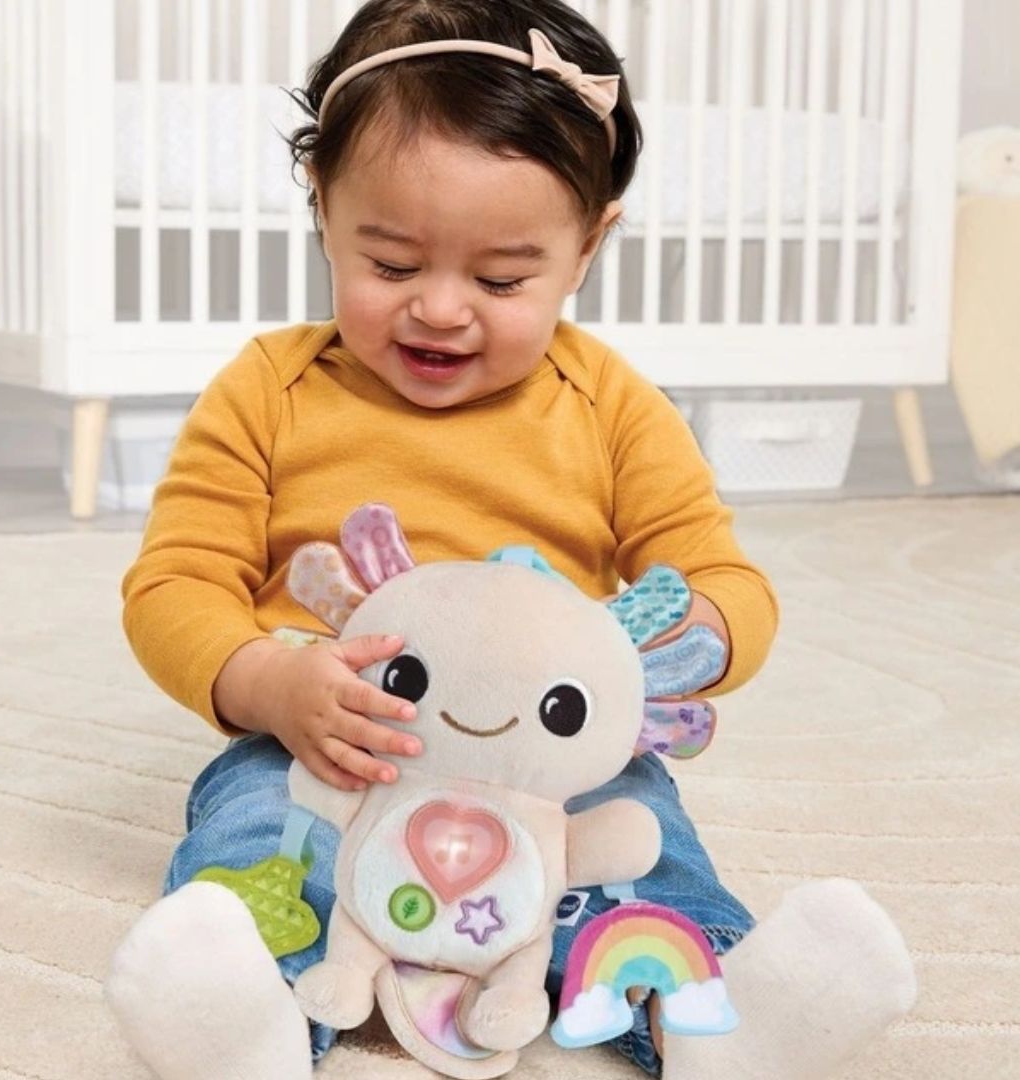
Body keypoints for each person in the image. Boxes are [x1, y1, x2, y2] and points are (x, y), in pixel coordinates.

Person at [105, 3, 915, 1079]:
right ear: (324, 210)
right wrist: (264, 684)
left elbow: (721, 580)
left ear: (588, 246)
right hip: (342, 738)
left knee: (640, 848)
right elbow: (176, 580)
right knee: (258, 830)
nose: (441, 309)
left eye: (500, 281)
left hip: (552, 760)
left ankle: (707, 1020)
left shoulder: (611, 406)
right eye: (389, 264)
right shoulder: (270, 389)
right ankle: (245, 1018)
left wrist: (673, 646)